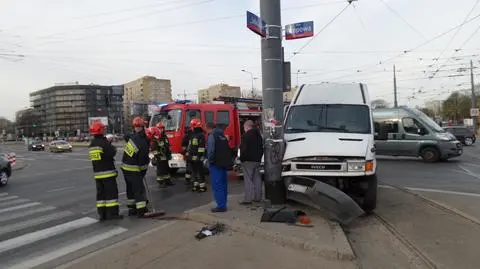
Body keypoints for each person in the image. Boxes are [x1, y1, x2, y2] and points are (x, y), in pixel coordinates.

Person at [88, 122, 122, 221]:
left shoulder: (92, 144)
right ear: (101, 130)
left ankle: (102, 214)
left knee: (101, 195)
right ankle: (113, 213)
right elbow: (112, 152)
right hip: (108, 173)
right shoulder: (103, 142)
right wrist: (111, 145)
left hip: (97, 174)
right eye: (103, 129)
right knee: (111, 194)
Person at [121, 116, 150, 217]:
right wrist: (143, 170)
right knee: (138, 189)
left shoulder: (132, 137)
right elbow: (143, 160)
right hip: (134, 169)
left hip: (125, 168)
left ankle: (132, 209)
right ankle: (141, 210)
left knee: (130, 189)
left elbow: (126, 136)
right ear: (143, 127)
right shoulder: (143, 142)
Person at [206, 123, 233, 212]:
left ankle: (221, 206)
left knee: (217, 185)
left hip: (215, 163)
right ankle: (223, 203)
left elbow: (211, 151)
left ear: (208, 128)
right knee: (223, 184)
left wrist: (209, 161)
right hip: (224, 163)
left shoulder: (212, 136)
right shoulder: (222, 136)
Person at [239, 120, 264, 205]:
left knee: (248, 180)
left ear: (247, 126)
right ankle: (257, 197)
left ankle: (248, 199)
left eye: (244, 128)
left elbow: (243, 149)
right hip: (257, 160)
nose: (244, 129)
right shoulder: (259, 136)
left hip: (247, 161)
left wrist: (241, 159)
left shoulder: (246, 136)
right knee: (257, 179)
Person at [186, 118, 207, 192]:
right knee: (194, 172)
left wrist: (199, 156)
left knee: (199, 172)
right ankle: (196, 185)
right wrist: (188, 155)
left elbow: (201, 147)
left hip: (198, 157)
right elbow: (190, 145)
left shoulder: (201, 135)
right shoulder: (192, 134)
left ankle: (202, 187)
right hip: (192, 156)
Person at [152, 123, 174, 188]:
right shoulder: (156, 137)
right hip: (160, 157)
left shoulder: (165, 136)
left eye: (162, 128)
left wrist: (169, 153)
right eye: (159, 128)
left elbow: (167, 145)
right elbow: (154, 148)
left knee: (166, 169)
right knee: (160, 171)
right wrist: (157, 156)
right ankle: (161, 182)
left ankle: (167, 181)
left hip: (165, 156)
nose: (161, 130)